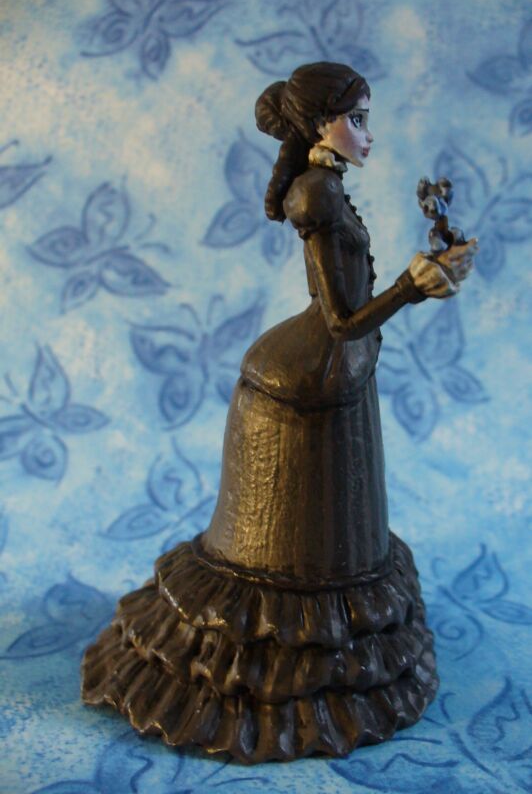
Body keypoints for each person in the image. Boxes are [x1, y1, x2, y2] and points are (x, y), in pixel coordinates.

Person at [82, 62, 478, 763]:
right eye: (357, 119)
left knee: (336, 535)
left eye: (367, 119)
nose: (369, 134)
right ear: (321, 124)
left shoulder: (328, 186)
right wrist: (414, 287)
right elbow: (342, 321)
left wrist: (430, 270)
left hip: (330, 375)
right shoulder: (316, 195)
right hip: (314, 375)